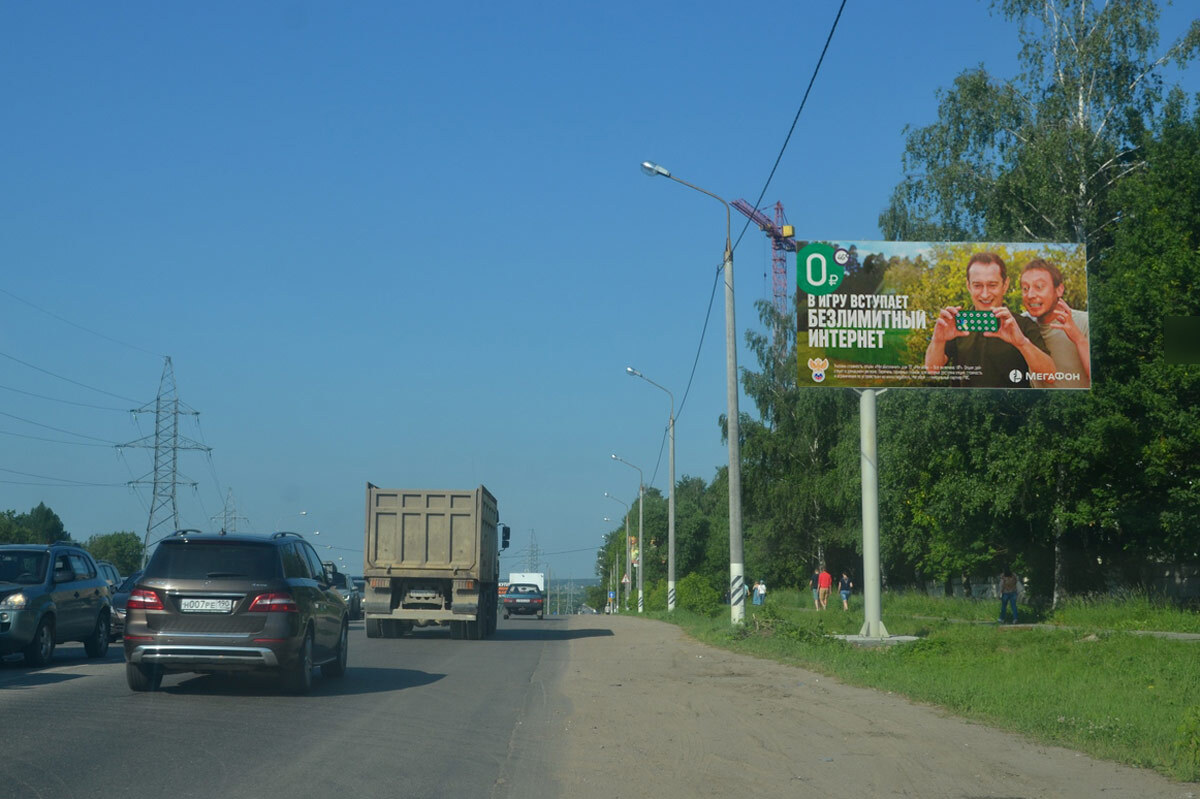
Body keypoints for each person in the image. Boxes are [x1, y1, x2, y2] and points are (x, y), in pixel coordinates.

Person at [924, 252, 1056, 387]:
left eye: (992, 285)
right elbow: (932, 369)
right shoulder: (957, 323)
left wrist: (1021, 343)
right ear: (968, 286)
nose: (985, 294)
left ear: (1005, 285)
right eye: (977, 285)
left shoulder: (1024, 325)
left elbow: (1050, 376)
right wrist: (938, 340)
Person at [1019, 259, 1090, 388]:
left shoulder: (1085, 322)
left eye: (1039, 287)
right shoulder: (1021, 324)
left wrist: (1079, 339)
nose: (1030, 295)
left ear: (1059, 290)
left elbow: (1102, 381)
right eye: (1025, 288)